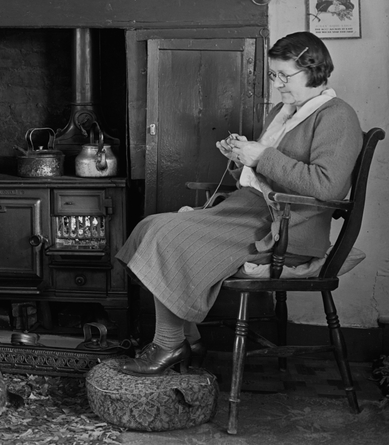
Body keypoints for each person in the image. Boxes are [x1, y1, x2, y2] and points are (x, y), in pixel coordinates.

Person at [115, 32, 362, 375]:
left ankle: (169, 344)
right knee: (150, 225)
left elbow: (326, 185)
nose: (277, 84)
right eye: (273, 75)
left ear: (314, 70)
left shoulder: (337, 116)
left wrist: (261, 156)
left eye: (283, 76)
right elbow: (267, 173)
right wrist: (240, 158)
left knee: (166, 235)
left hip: (287, 226)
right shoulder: (285, 111)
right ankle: (189, 338)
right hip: (250, 208)